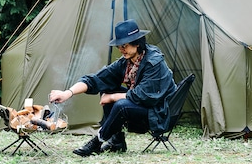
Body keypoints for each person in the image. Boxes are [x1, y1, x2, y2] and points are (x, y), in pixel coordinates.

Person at [49, 19, 176, 156]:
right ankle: (117, 141)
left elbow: (144, 95)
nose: (121, 50)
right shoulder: (126, 62)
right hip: (145, 106)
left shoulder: (154, 62)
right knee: (107, 88)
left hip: (159, 111)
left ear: (137, 43)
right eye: (119, 47)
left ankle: (97, 142)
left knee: (120, 104)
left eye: (124, 46)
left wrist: (112, 97)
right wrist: (68, 93)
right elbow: (96, 79)